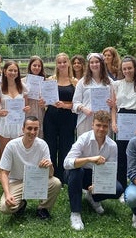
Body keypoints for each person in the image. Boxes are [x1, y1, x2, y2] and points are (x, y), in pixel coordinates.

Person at [64, 111, 124, 231]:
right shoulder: (83, 139)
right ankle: (75, 213)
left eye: (105, 126)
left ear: (108, 127)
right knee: (77, 171)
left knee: (117, 189)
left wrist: (99, 184)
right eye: (98, 125)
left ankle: (92, 197)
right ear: (92, 125)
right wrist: (89, 159)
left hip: (97, 176)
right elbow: (66, 163)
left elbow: (111, 170)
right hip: (78, 173)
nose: (101, 129)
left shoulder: (112, 145)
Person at [0, 116, 61, 219]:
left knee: (56, 183)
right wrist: (7, 194)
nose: (32, 132)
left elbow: (50, 175)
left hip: (35, 180)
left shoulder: (43, 145)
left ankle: (43, 208)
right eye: (29, 128)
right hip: (16, 182)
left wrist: (50, 166)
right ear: (23, 129)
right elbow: (3, 173)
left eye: (36, 129)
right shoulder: (12, 145)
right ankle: (21, 204)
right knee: (5, 208)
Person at [111, 56, 136, 192]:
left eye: (130, 68)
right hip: (122, 122)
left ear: (135, 68)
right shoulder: (116, 85)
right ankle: (122, 187)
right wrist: (114, 123)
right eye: (124, 69)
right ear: (121, 70)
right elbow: (114, 107)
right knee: (122, 155)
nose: (127, 71)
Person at [43, 53, 78, 183]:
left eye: (64, 62)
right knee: (50, 145)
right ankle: (51, 174)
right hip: (51, 117)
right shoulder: (50, 80)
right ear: (56, 64)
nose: (62, 64)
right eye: (59, 62)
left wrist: (65, 105)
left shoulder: (75, 82)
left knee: (66, 146)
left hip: (68, 117)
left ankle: (63, 176)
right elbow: (45, 100)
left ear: (68, 63)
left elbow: (77, 103)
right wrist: (44, 102)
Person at [72, 53, 114, 137]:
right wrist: (83, 108)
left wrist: (112, 104)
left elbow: (115, 103)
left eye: (97, 62)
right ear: (89, 65)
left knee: (103, 143)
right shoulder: (82, 82)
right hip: (86, 119)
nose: (94, 64)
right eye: (92, 62)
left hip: (104, 120)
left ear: (101, 63)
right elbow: (75, 102)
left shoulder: (110, 82)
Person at [0, 60, 30, 152]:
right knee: (5, 153)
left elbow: (26, 105)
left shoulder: (23, 87)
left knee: (19, 152)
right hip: (4, 124)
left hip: (19, 124)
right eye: (10, 70)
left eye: (15, 71)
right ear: (5, 71)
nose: (13, 73)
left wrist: (27, 109)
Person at [23, 55, 46, 138]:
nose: (37, 67)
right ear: (30, 66)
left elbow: (49, 100)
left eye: (39, 66)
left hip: (40, 110)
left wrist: (45, 103)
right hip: (28, 110)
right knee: (27, 132)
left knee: (38, 132)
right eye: (34, 65)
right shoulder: (23, 81)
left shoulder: (45, 81)